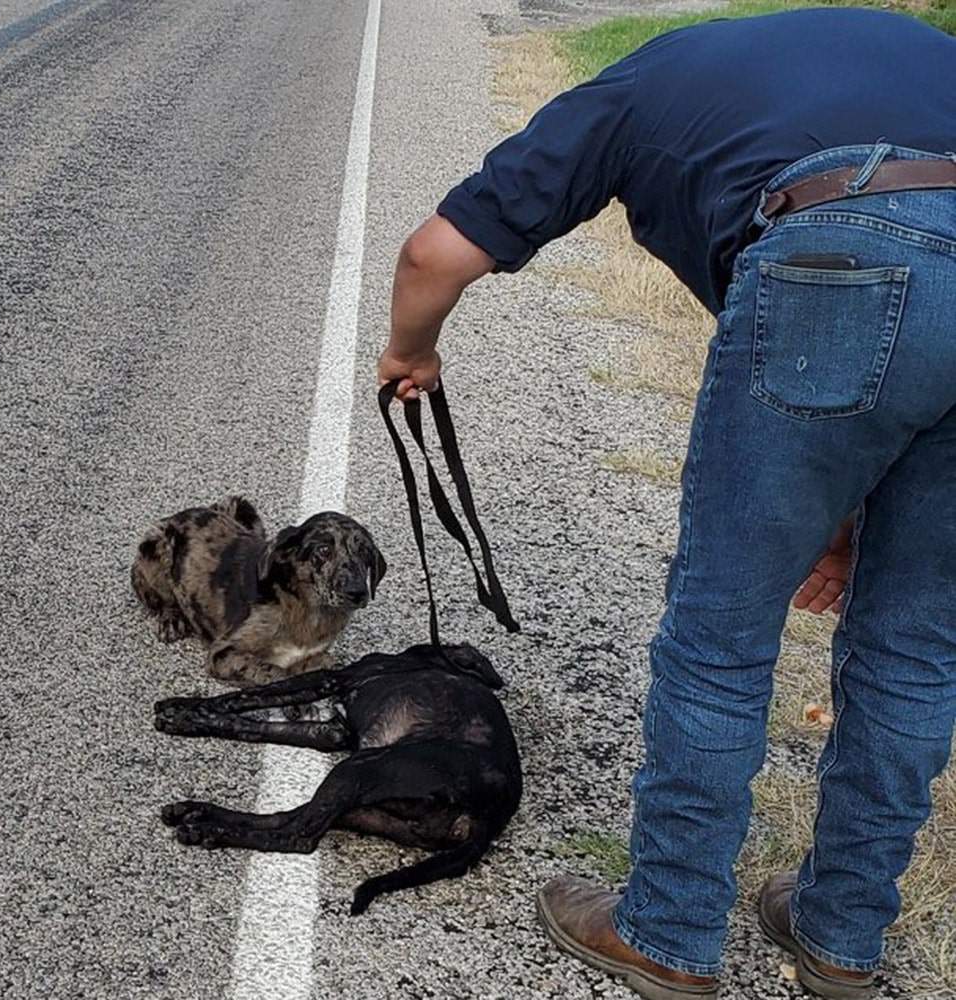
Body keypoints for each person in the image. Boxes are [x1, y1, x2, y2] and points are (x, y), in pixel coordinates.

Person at [375, 8, 956, 1000]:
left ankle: (670, 928)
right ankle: (841, 933)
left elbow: (435, 255)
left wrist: (411, 352)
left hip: (833, 258)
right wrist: (849, 524)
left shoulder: (640, 87)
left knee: (720, 638)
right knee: (914, 644)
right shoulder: (917, 55)